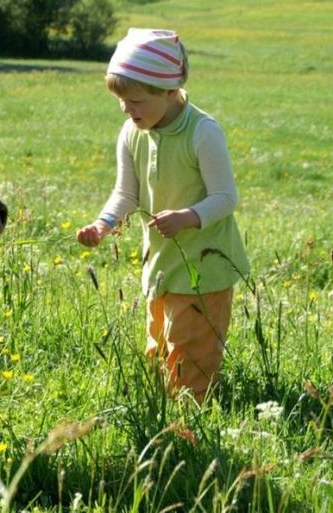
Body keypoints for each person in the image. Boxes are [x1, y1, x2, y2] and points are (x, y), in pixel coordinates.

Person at [76, 28, 249, 403]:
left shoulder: (203, 132)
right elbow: (126, 193)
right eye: (121, 100)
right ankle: (163, 411)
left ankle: (191, 423)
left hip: (204, 268)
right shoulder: (132, 132)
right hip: (161, 264)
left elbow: (225, 197)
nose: (126, 109)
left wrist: (187, 216)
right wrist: (103, 225)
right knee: (159, 347)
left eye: (135, 100)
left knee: (191, 355)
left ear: (169, 91)